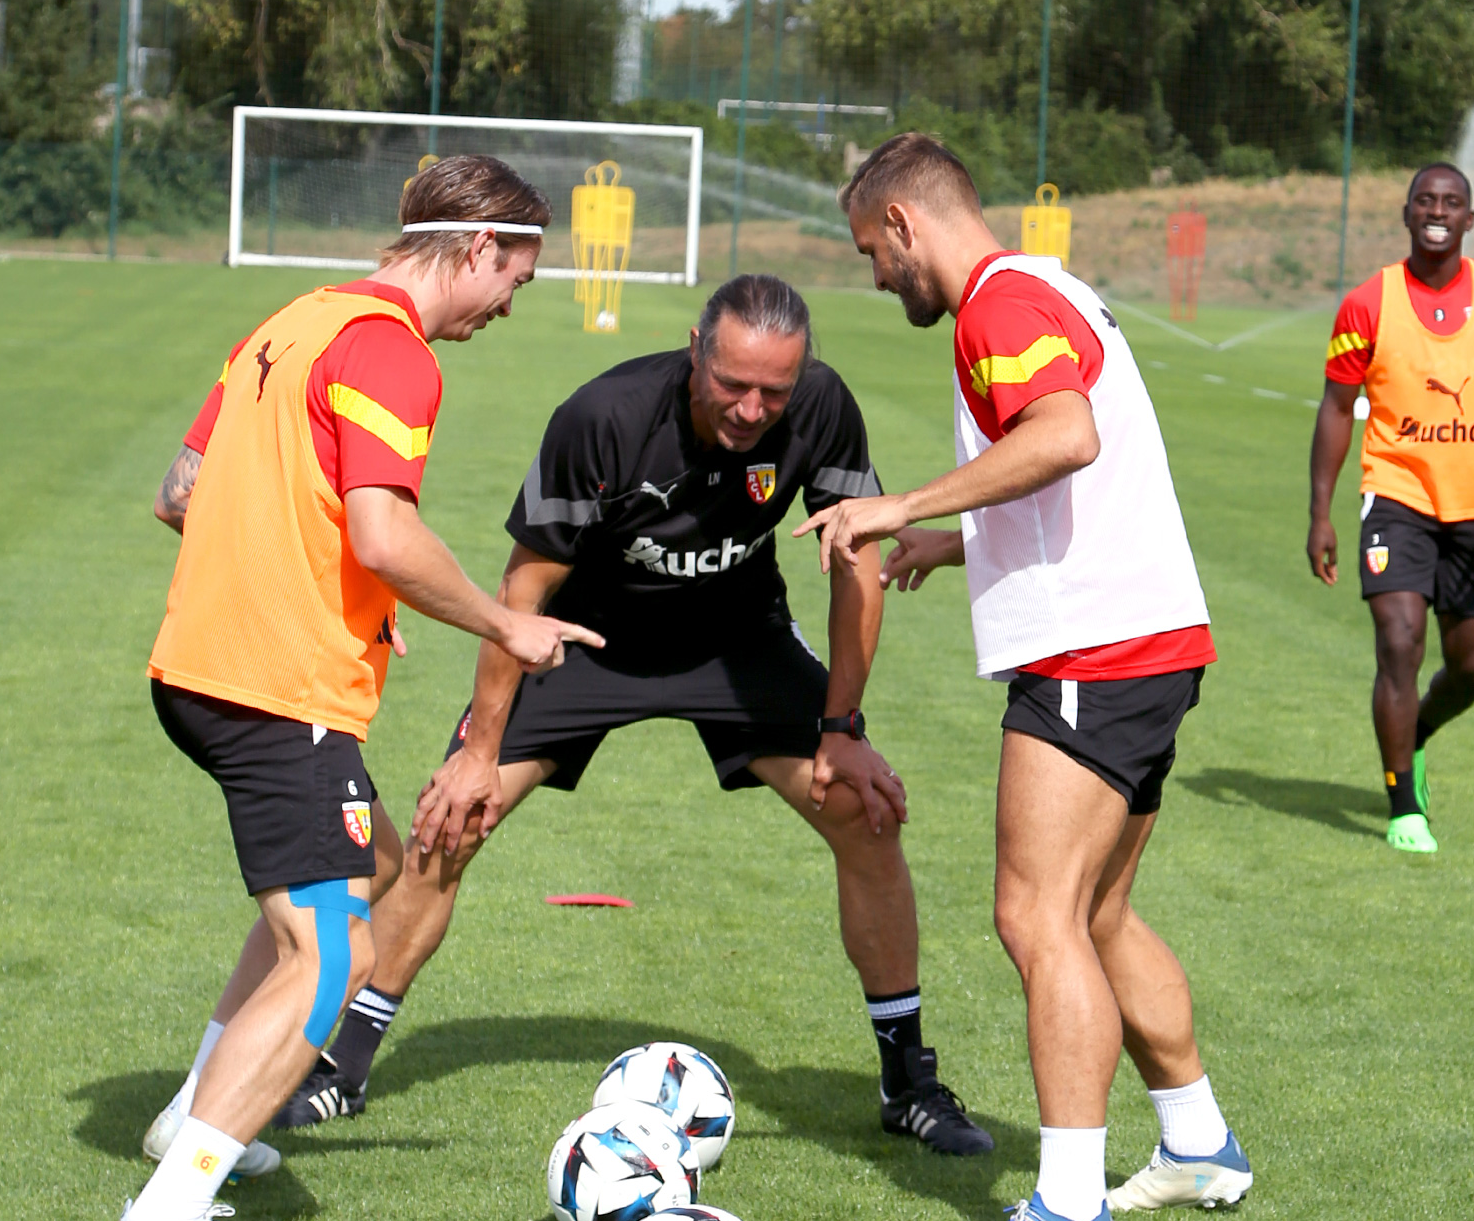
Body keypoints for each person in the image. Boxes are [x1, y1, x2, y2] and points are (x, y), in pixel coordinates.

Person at [274, 272, 995, 1157]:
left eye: (774, 390)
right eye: (733, 384)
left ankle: (906, 1080)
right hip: (586, 633)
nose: (753, 408)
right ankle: (341, 1066)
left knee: (864, 815)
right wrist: (479, 748)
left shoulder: (820, 406)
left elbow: (857, 563)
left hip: (737, 639)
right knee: (449, 824)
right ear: (696, 351)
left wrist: (843, 731)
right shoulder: (604, 416)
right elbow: (523, 588)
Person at [112, 154, 602, 1221]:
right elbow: (382, 536)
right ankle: (170, 1213)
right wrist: (502, 624)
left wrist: (298, 573)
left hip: (199, 664)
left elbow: (179, 493)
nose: (509, 306)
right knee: (333, 954)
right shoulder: (391, 350)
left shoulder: (291, 322)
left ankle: (195, 1105)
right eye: (515, 280)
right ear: (477, 247)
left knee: (373, 862)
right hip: (273, 685)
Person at [798, 132, 1250, 1221]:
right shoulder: (1050, 285)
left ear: (905, 224)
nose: (874, 275)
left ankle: (1064, 1212)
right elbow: (1072, 471)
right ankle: (1197, 1142)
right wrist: (954, 545)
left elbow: (1065, 436)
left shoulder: (996, 307)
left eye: (870, 252)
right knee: (1095, 913)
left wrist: (899, 505)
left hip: (1093, 654)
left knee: (1033, 916)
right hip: (1151, 639)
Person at [1308, 162, 1474, 854]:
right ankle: (1402, 802)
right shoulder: (1367, 303)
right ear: (1407, 213)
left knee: (1473, 668)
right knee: (1400, 640)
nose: (1437, 211)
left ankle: (1416, 736)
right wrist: (1321, 511)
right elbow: (1334, 409)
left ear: (1469, 219)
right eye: (1425, 200)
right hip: (1398, 499)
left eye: (1452, 202)